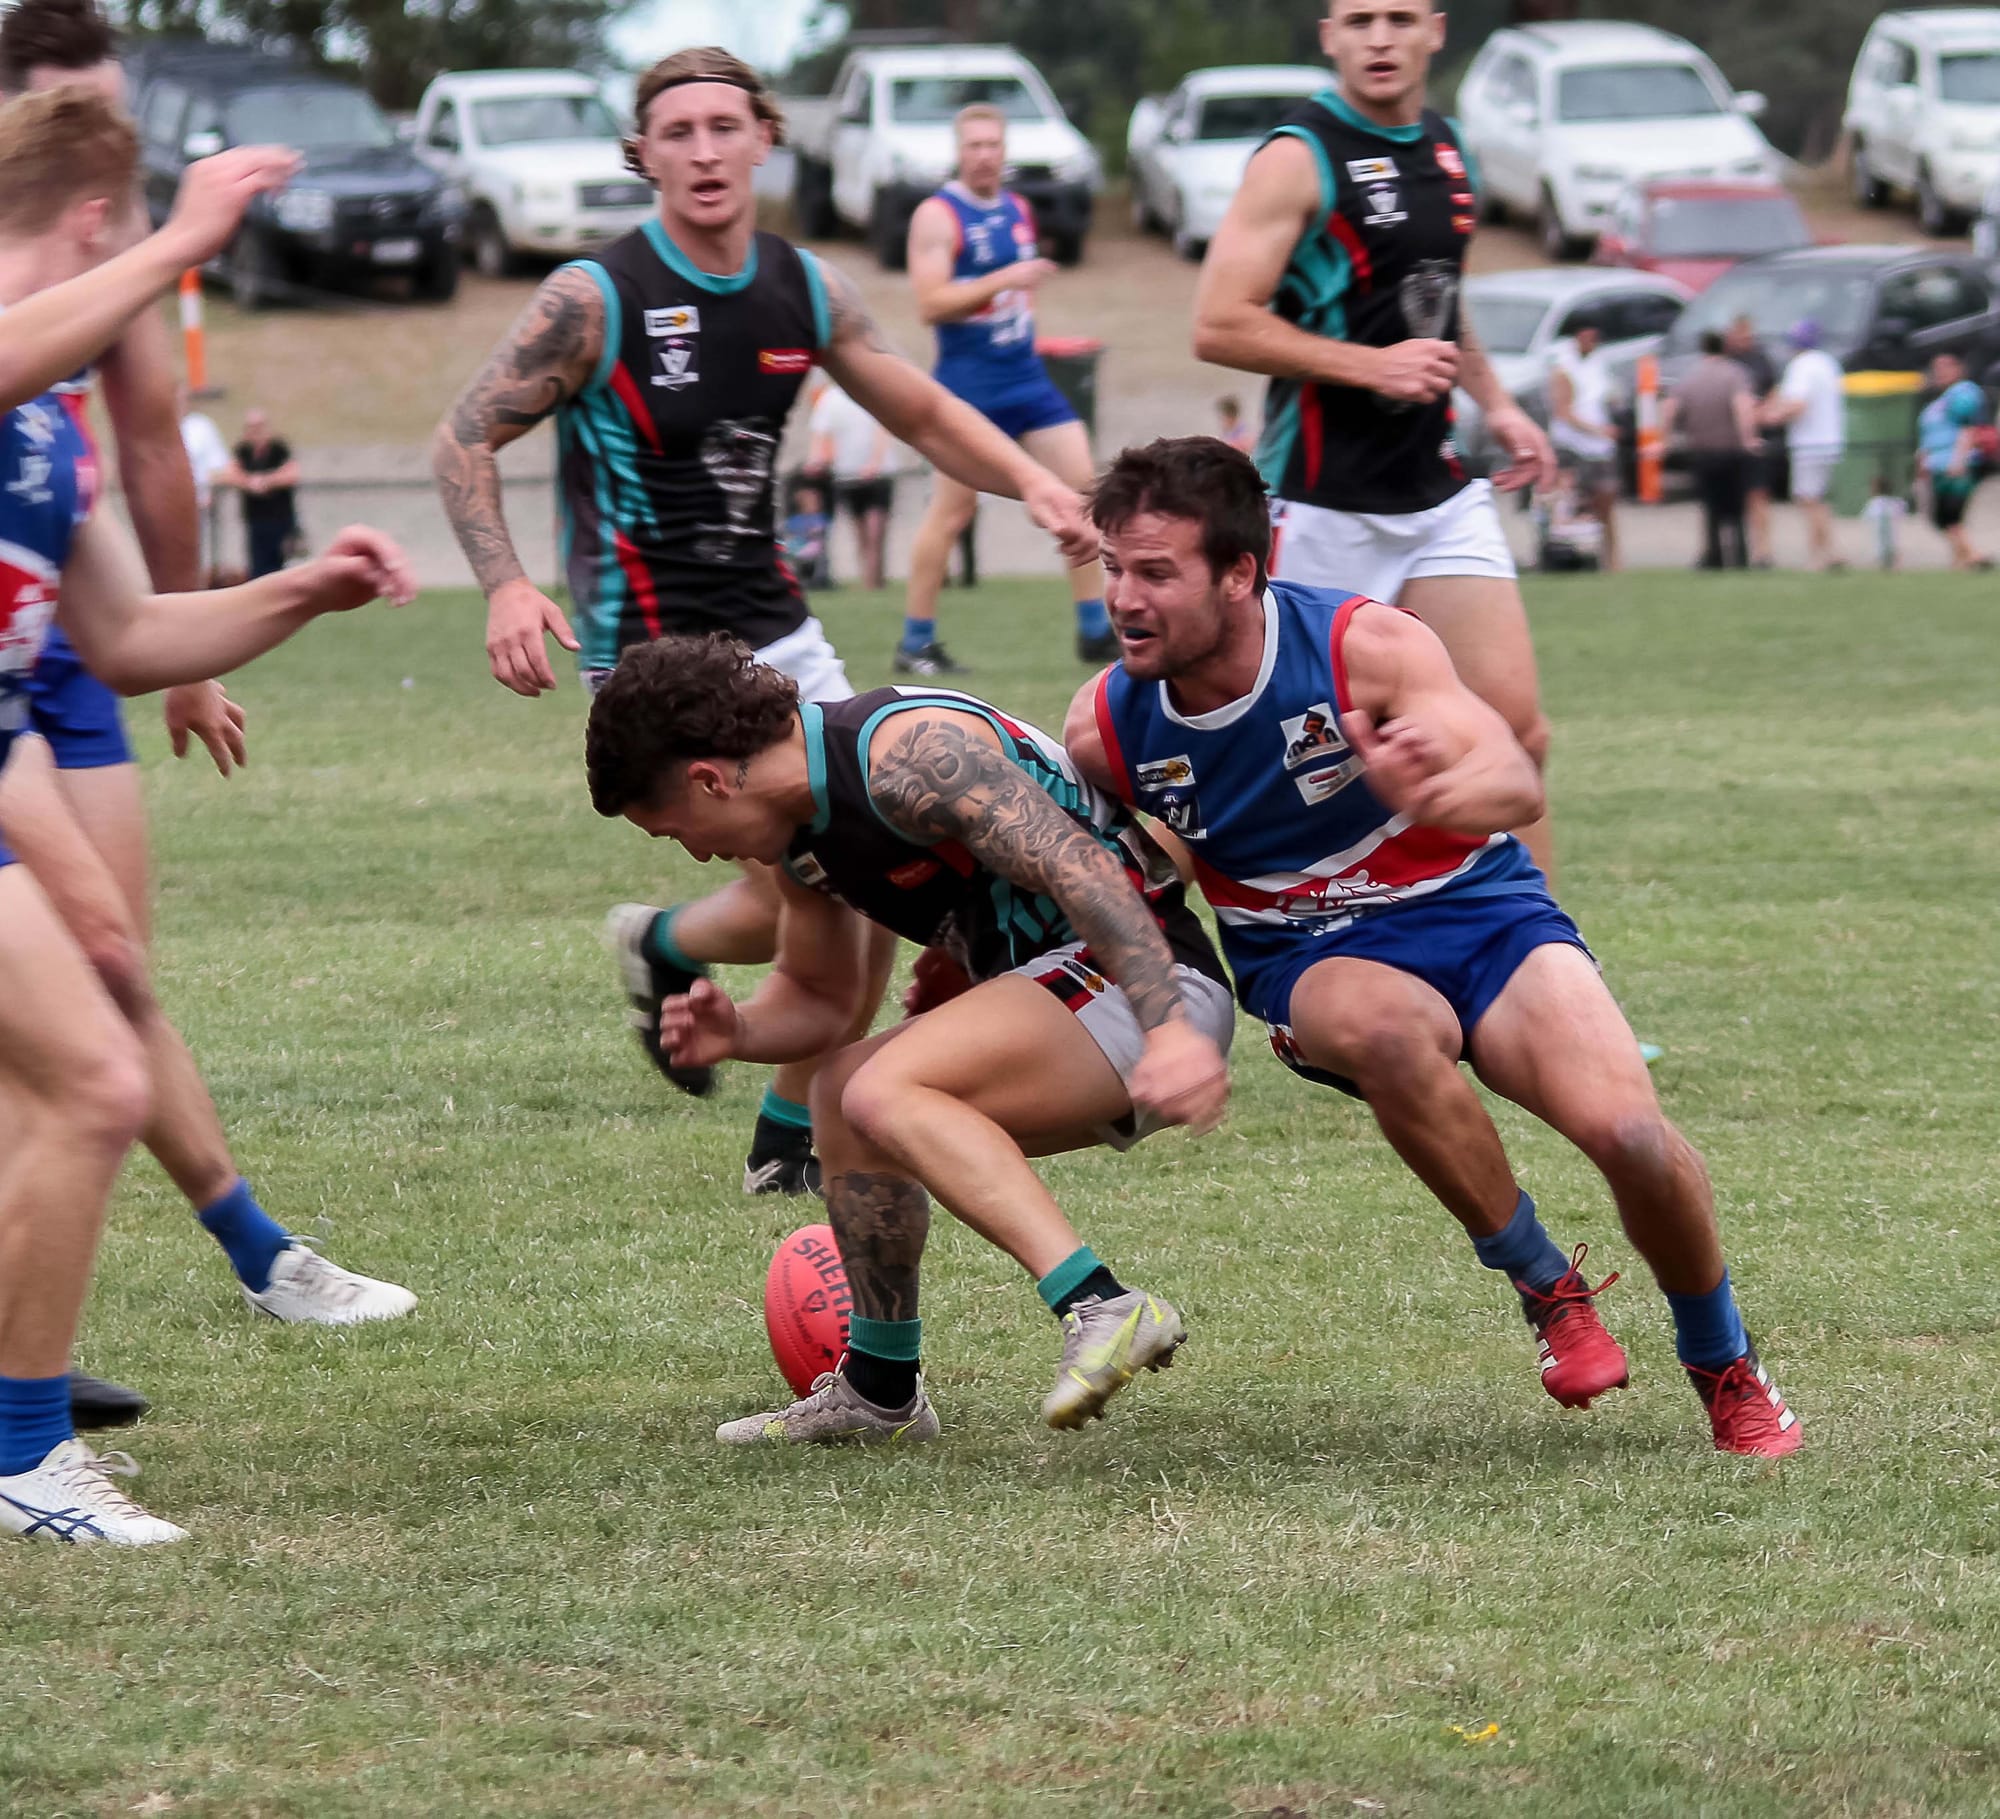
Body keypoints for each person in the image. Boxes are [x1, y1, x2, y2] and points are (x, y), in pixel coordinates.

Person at [432, 47, 1096, 1200]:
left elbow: (928, 409)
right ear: (642, 155)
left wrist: (1034, 485)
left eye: (722, 126)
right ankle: (757, 1070)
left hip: (774, 625)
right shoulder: (593, 298)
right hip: (649, 645)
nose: (701, 149)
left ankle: (752, 1065)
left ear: (763, 139)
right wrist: (501, 580)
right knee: (834, 873)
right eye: (675, 131)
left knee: (869, 850)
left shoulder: (804, 288)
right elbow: (462, 438)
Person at [1065, 438, 1802, 1458]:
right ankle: (1544, 1283)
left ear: (1238, 573)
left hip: (1476, 909)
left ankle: (1720, 1358)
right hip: (1310, 951)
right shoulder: (1107, 727)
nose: (1123, 596)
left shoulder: (1362, 648)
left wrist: (1442, 790)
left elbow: (1510, 777)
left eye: (1154, 571)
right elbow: (1138, 867)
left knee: (1629, 1134)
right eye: (1111, 566)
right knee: (1381, 1025)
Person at [0, 86, 420, 1545]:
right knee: (95, 1078)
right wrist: (191, 237)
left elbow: (122, 635)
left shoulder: (52, 426)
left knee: (95, 1067)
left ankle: (24, 1446)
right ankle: (22, 1453)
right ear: (95, 222)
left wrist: (300, 591)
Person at [584, 633, 1233, 1443]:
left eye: (678, 829)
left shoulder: (909, 756)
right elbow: (822, 999)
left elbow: (1087, 874)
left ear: (708, 778)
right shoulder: (801, 832)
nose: (701, 850)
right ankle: (879, 1389)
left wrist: (1170, 1029)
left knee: (882, 1088)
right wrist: (740, 1028)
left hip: (1148, 979)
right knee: (839, 1096)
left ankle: (1102, 1304)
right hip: (1065, 994)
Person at [1192, 0, 1560, 880]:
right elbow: (1217, 325)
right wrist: (1369, 366)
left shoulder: (1447, 146)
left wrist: (1498, 402)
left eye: (1399, 17)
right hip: (1321, 501)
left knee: (1512, 732)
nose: (1381, 38)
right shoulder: (1297, 157)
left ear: (1437, 29)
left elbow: (1435, 300)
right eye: (1358, 20)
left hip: (1436, 493)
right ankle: (1101, 929)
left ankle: (1552, 978)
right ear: (1328, 36)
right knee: (1271, 760)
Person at [898, 103, 1111, 675]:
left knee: (1086, 495)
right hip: (968, 387)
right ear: (958, 151)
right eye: (974, 146)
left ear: (1005, 150)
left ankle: (1094, 629)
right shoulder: (938, 215)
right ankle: (916, 641)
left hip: (1026, 378)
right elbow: (930, 303)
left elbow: (1019, 298)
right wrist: (1003, 280)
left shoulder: (1017, 208)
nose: (985, 155)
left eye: (994, 144)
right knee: (951, 512)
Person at [1664, 330, 1761, 570]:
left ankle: (1713, 555)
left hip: (1702, 452)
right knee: (1735, 509)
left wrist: (1665, 438)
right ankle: (1739, 557)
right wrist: (1749, 438)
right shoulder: (1735, 374)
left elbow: (1670, 408)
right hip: (1731, 451)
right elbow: (1742, 408)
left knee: (1710, 508)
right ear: (1724, 347)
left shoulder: (1690, 378)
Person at [1761, 319, 1846, 573]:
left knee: (1808, 498)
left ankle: (1822, 555)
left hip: (1809, 442)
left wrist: (1773, 415)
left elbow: (1798, 404)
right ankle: (1828, 551)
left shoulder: (1801, 366)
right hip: (1830, 439)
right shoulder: (1828, 363)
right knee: (1817, 499)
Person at [807, 374, 899, 594]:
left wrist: (875, 463)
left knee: (874, 530)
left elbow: (882, 430)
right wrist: (818, 462)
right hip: (848, 474)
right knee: (864, 532)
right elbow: (822, 437)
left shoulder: (871, 395)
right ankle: (871, 580)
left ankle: (873, 580)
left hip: (876, 475)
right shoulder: (831, 399)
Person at [1547, 313, 1621, 573]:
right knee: (1568, 503)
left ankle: (1612, 561)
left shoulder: (1598, 364)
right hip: (1572, 444)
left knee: (1606, 502)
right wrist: (1598, 430)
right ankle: (1564, 558)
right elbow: (1564, 412)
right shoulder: (1563, 368)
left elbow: (1607, 397)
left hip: (1599, 447)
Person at [1915, 350, 1990, 571]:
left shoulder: (1964, 393)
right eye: (1937, 368)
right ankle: (1962, 559)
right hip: (1936, 464)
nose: (1940, 373)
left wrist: (1959, 461)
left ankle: (1972, 555)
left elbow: (1968, 428)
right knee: (1939, 516)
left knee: (1950, 514)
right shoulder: (1936, 401)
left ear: (1959, 369)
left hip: (1956, 463)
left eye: (1946, 367)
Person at [1721, 317, 1777, 567]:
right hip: (1729, 439)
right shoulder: (1725, 363)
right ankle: (1732, 550)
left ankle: (1762, 551)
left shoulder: (1760, 361)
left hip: (1754, 439)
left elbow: (1774, 391)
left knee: (1758, 496)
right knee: (1731, 499)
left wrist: (1762, 411)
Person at [223, 407, 300, 579]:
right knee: (258, 568)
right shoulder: (244, 451)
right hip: (255, 519)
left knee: (280, 566)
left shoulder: (278, 449)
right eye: (251, 427)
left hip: (280, 519)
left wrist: (267, 481)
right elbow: (229, 474)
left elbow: (292, 473)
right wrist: (249, 482)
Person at [177, 381, 230, 585]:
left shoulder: (200, 427)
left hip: (196, 505)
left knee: (194, 555)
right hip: (164, 506)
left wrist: (208, 492)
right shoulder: (156, 427)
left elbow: (219, 466)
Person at [780, 480, 831, 589]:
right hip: (798, 546)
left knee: (819, 554)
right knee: (785, 550)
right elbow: (787, 530)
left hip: (814, 547)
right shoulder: (796, 519)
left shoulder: (820, 518)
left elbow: (823, 529)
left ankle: (818, 580)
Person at [1863, 473, 1908, 572]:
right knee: (1893, 548)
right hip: (1893, 534)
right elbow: (1902, 515)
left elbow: (1866, 518)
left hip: (1880, 535)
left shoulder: (1874, 503)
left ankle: (1886, 566)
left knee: (1882, 548)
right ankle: (1894, 566)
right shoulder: (1896, 502)